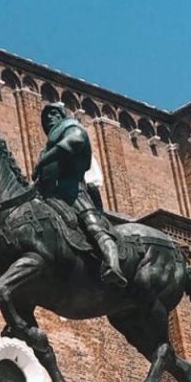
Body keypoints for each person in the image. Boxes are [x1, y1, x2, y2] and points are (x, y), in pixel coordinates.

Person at [32, 103, 127, 287]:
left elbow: (73, 143)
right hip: (51, 197)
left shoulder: (73, 130)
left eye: (53, 114)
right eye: (46, 117)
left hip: (74, 193)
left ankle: (113, 264)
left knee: (93, 226)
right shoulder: (47, 150)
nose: (49, 118)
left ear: (62, 116)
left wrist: (42, 161)